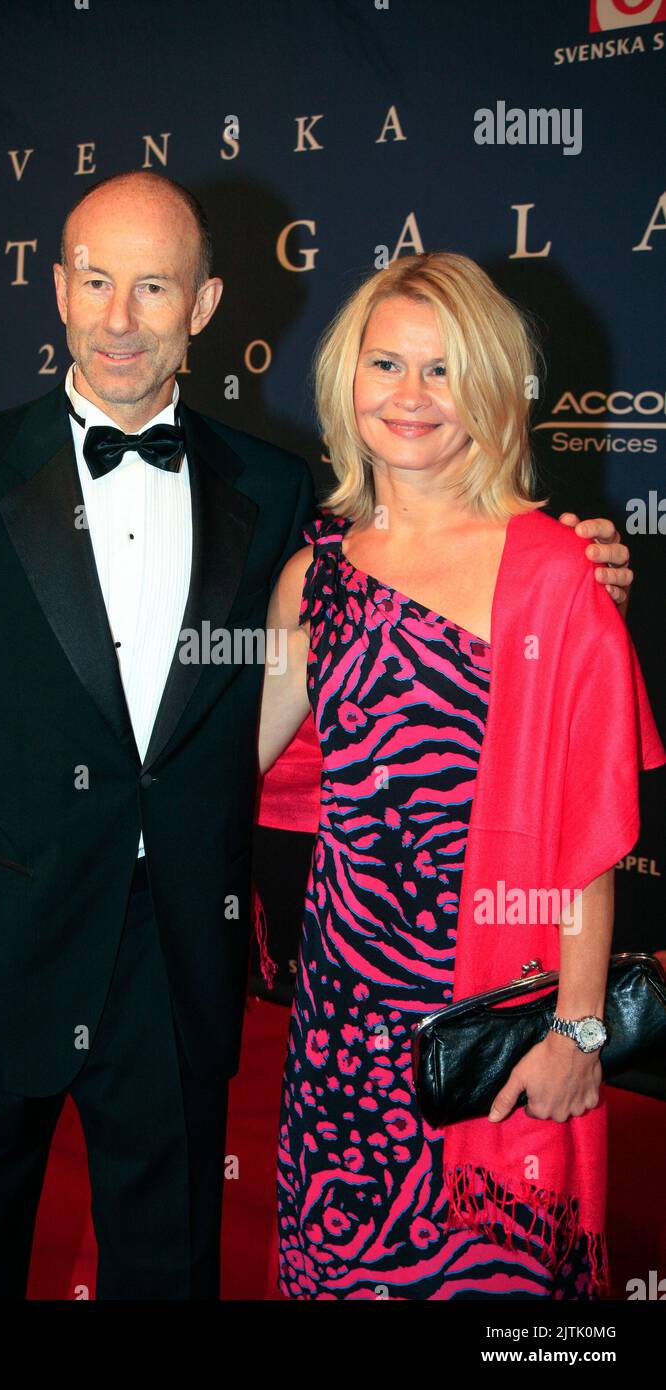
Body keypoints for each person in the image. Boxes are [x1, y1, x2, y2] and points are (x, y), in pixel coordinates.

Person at [0, 172, 633, 1302]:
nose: (122, 317)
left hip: (182, 958)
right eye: (98, 280)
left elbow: (431, 632)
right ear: (57, 289)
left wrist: (571, 560)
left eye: (156, 286)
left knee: (168, 1263)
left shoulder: (272, 494)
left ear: (205, 305)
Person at [259, 251, 664, 1300]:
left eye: (441, 370)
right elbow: (219, 759)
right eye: (384, 362)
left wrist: (577, 1031)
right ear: (344, 378)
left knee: (490, 1286)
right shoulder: (319, 572)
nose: (408, 396)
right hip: (340, 1024)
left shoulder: (552, 568)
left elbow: (587, 832)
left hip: (493, 1015)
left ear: (488, 386)